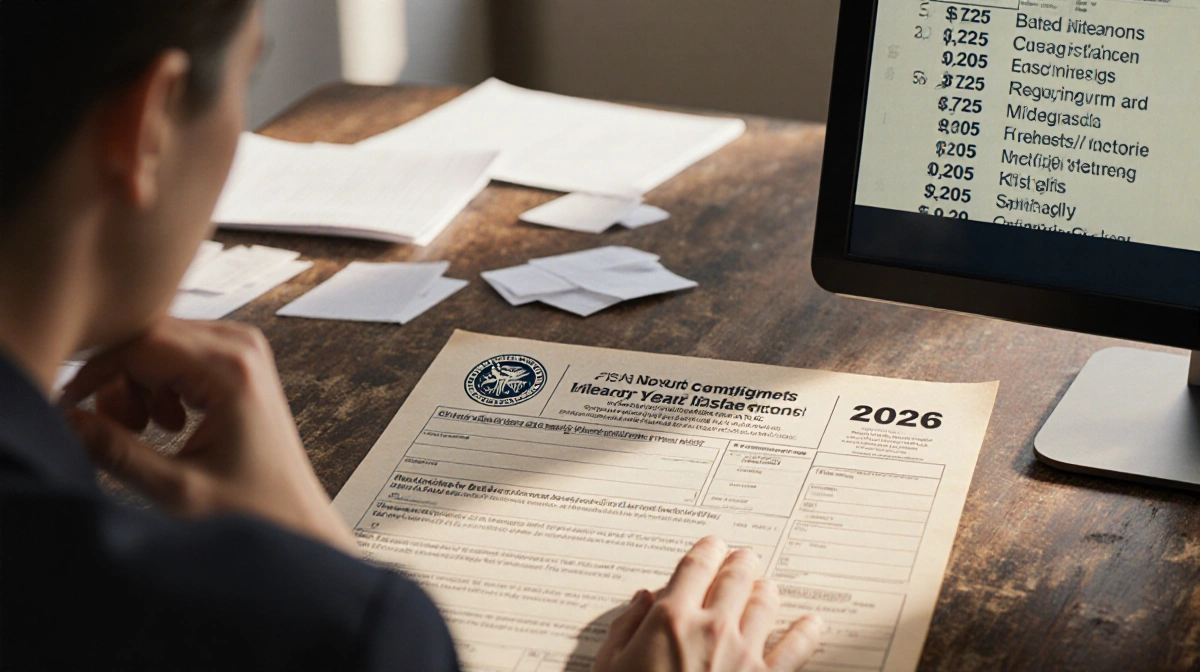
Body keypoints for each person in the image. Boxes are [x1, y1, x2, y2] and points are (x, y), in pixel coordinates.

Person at [0, 2, 822, 670]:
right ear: (145, 127)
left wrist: (314, 562)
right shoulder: (309, 634)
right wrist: (333, 594)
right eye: (248, 81)